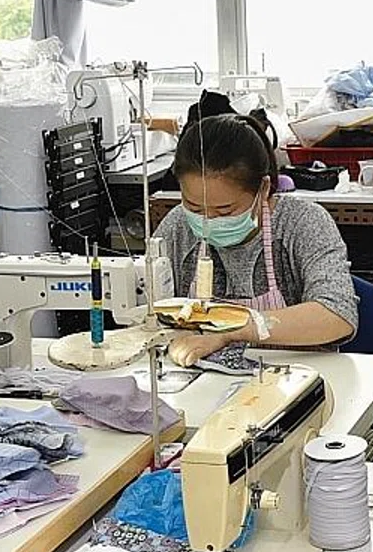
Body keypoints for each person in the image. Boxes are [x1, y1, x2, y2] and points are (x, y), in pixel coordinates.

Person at [152, 113, 358, 366]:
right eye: (194, 207)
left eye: (225, 211)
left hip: (298, 374)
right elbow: (149, 305)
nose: (206, 221)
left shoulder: (301, 223)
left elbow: (337, 316)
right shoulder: (177, 226)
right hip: (201, 376)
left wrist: (232, 330)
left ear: (263, 189)